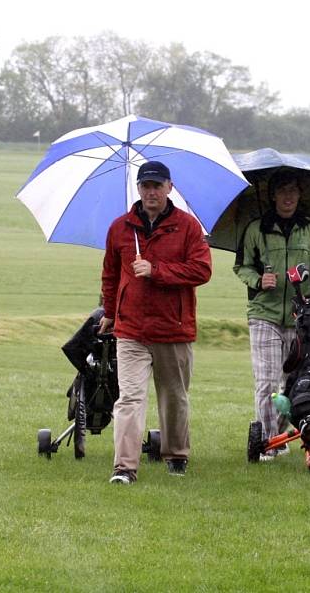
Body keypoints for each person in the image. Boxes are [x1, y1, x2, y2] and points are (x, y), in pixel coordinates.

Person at [99, 160, 212, 484]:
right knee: (130, 398)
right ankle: (124, 467)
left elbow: (201, 271)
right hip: (131, 329)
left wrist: (157, 270)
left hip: (173, 329)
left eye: (157, 186)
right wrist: (110, 312)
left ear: (169, 188)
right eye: (146, 186)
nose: (151, 192)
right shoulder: (120, 228)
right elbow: (110, 273)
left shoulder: (188, 227)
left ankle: (176, 455)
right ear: (138, 189)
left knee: (174, 397)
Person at [233, 168, 310, 460]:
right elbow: (241, 266)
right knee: (267, 382)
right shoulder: (256, 229)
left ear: (300, 194)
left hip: (304, 318)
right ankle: (269, 444)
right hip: (263, 313)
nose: (288, 197)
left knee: (292, 384)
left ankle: (279, 438)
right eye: (282, 191)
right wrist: (258, 280)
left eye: (293, 191)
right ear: (272, 195)